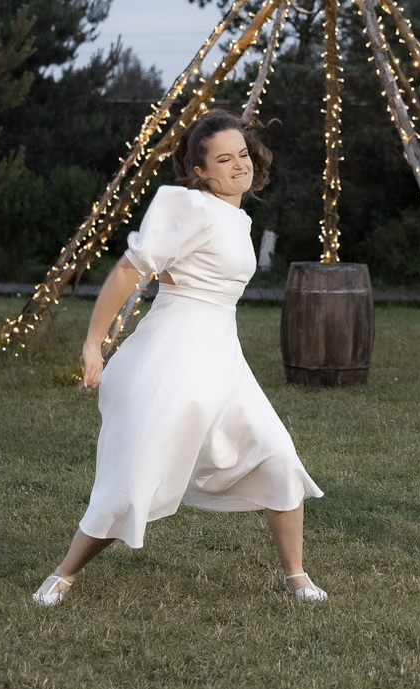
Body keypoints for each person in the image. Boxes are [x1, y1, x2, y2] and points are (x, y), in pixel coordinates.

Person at [32, 112, 329, 607]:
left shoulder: (234, 215)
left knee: (277, 454)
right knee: (136, 476)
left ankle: (296, 575)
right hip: (172, 355)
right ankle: (64, 573)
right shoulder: (190, 207)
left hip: (222, 358)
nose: (239, 166)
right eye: (224, 159)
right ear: (200, 171)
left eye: (242, 154)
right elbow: (130, 269)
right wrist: (93, 343)